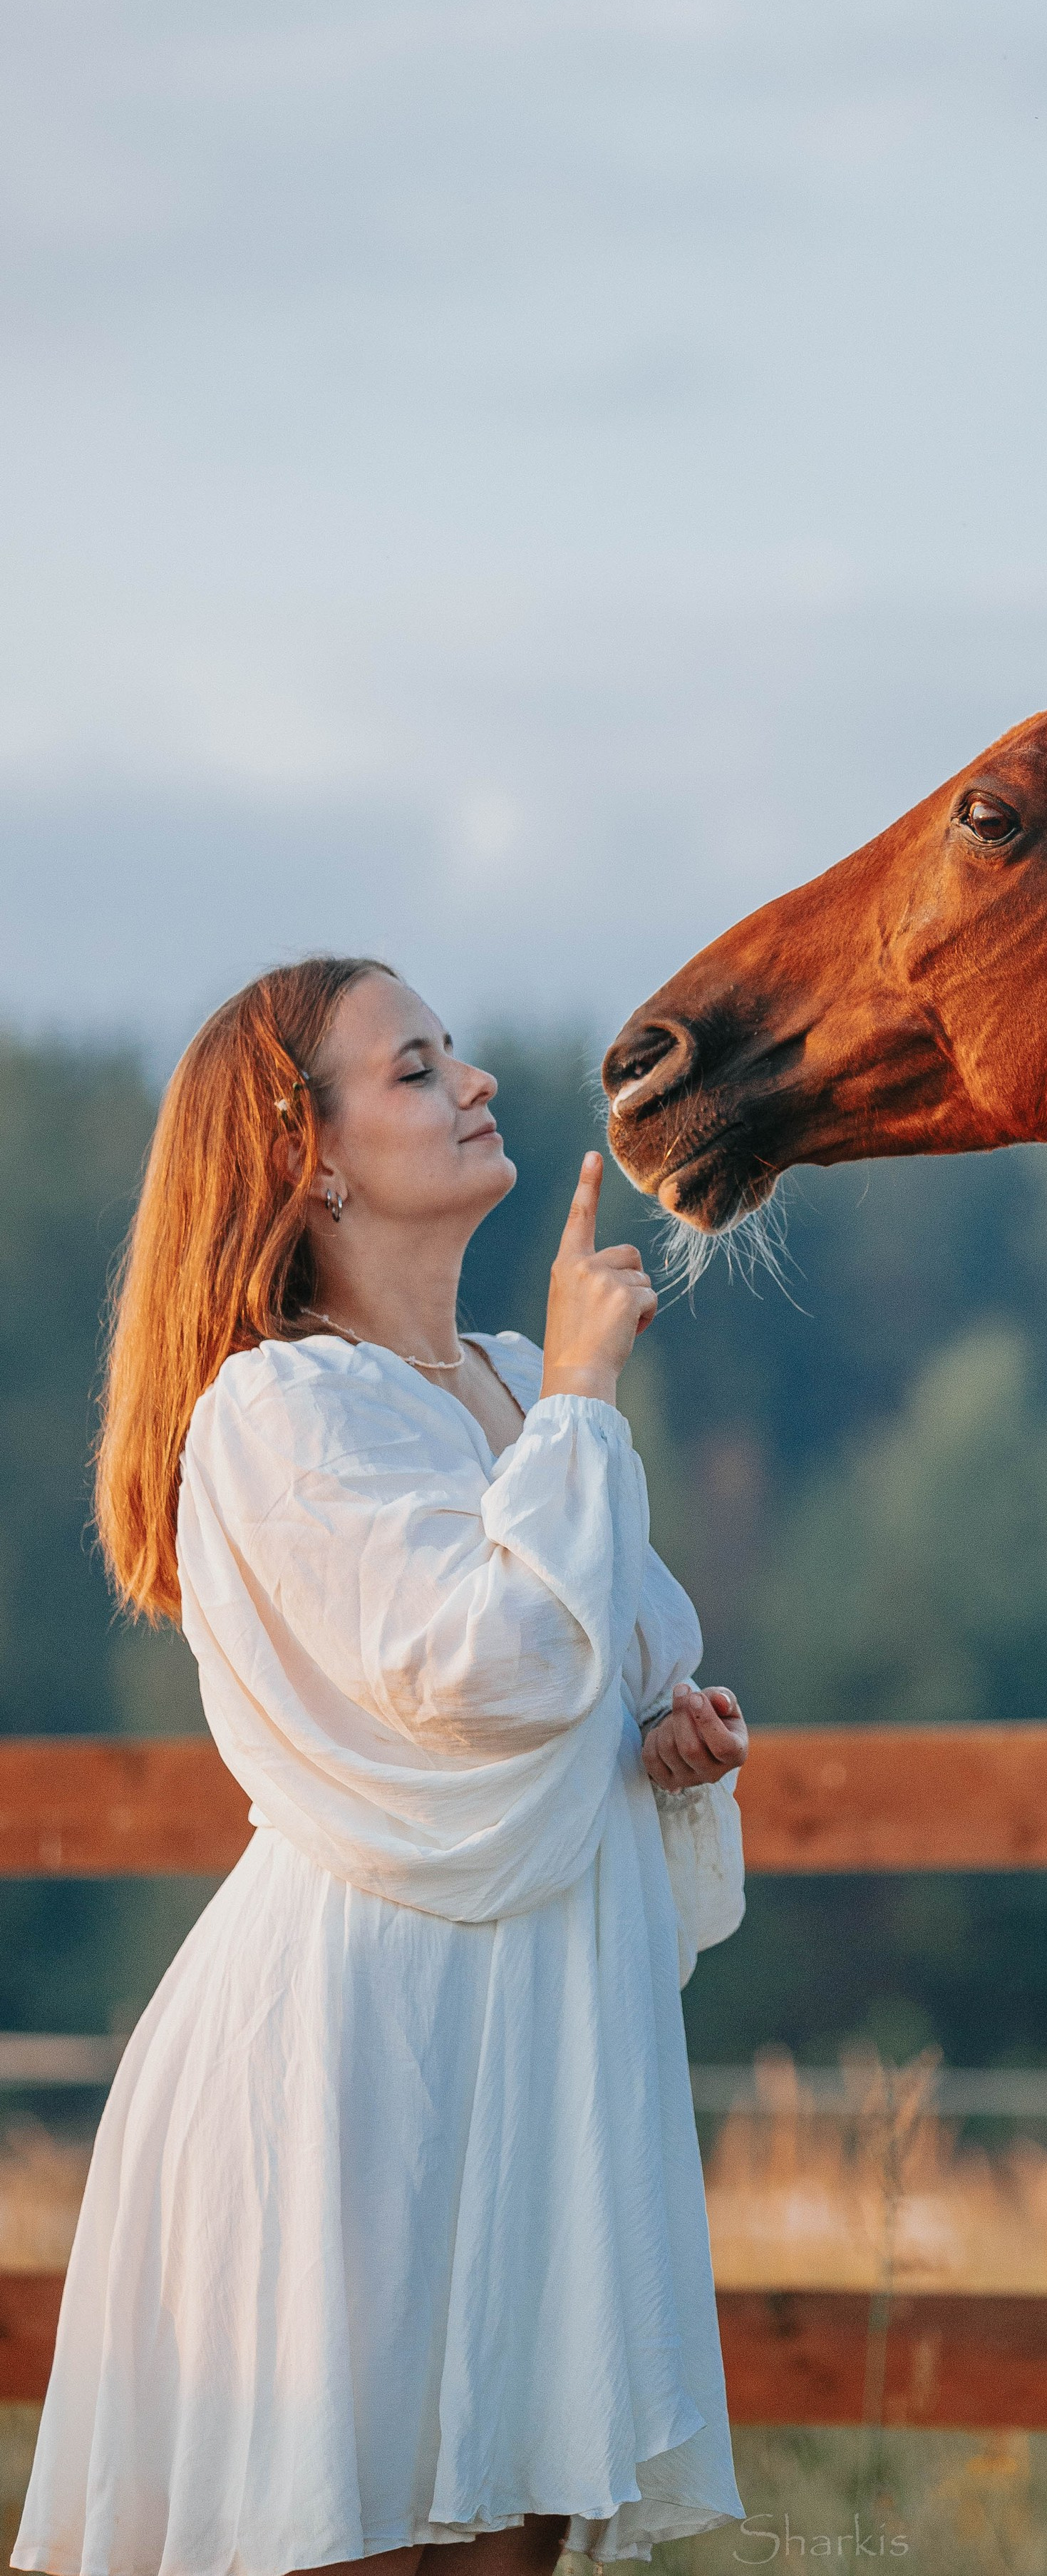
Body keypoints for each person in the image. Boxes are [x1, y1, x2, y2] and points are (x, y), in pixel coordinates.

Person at [14, 955, 750, 2576]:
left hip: (535, 2050)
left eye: (455, 1052)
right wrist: (585, 1393)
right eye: (415, 1068)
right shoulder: (280, 1409)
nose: (473, 1081)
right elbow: (483, 1664)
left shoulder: (505, 1375)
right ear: (312, 1155)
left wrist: (657, 1742)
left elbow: (603, 1655)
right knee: (342, 2529)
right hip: (354, 2069)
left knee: (514, 2530)